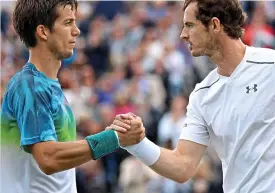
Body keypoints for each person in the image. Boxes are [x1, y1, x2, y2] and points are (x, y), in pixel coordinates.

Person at [111, 0, 275, 192]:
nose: (183, 34)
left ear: (214, 25)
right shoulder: (201, 95)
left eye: (189, 25)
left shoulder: (270, 66)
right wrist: (137, 143)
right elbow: (182, 167)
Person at [0, 0, 144, 193]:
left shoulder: (47, 86)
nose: (76, 31)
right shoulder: (30, 85)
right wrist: (113, 138)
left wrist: (112, 133)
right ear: (43, 32)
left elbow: (56, 162)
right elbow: (48, 158)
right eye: (68, 23)